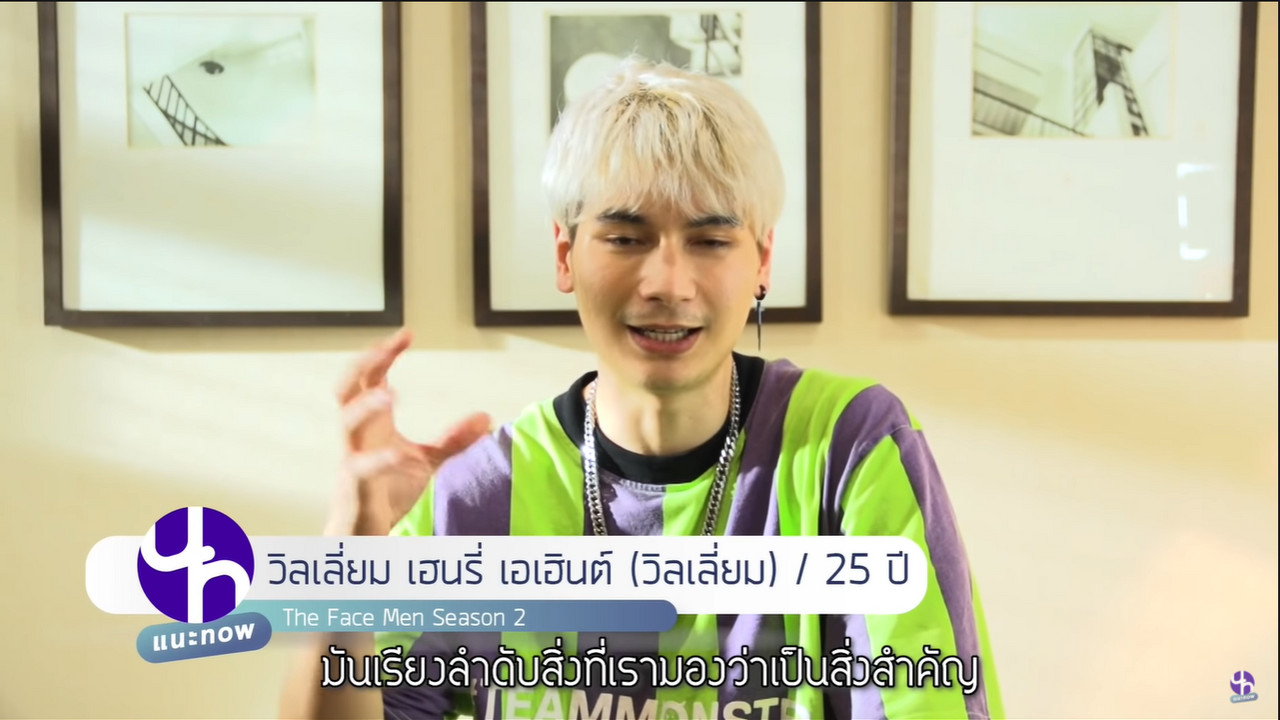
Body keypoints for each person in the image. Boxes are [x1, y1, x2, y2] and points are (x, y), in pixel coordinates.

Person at [278, 56, 1003, 720]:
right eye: (626, 239)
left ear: (762, 262)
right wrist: (351, 555)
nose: (667, 284)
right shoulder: (478, 497)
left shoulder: (850, 447)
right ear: (566, 255)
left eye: (711, 240)